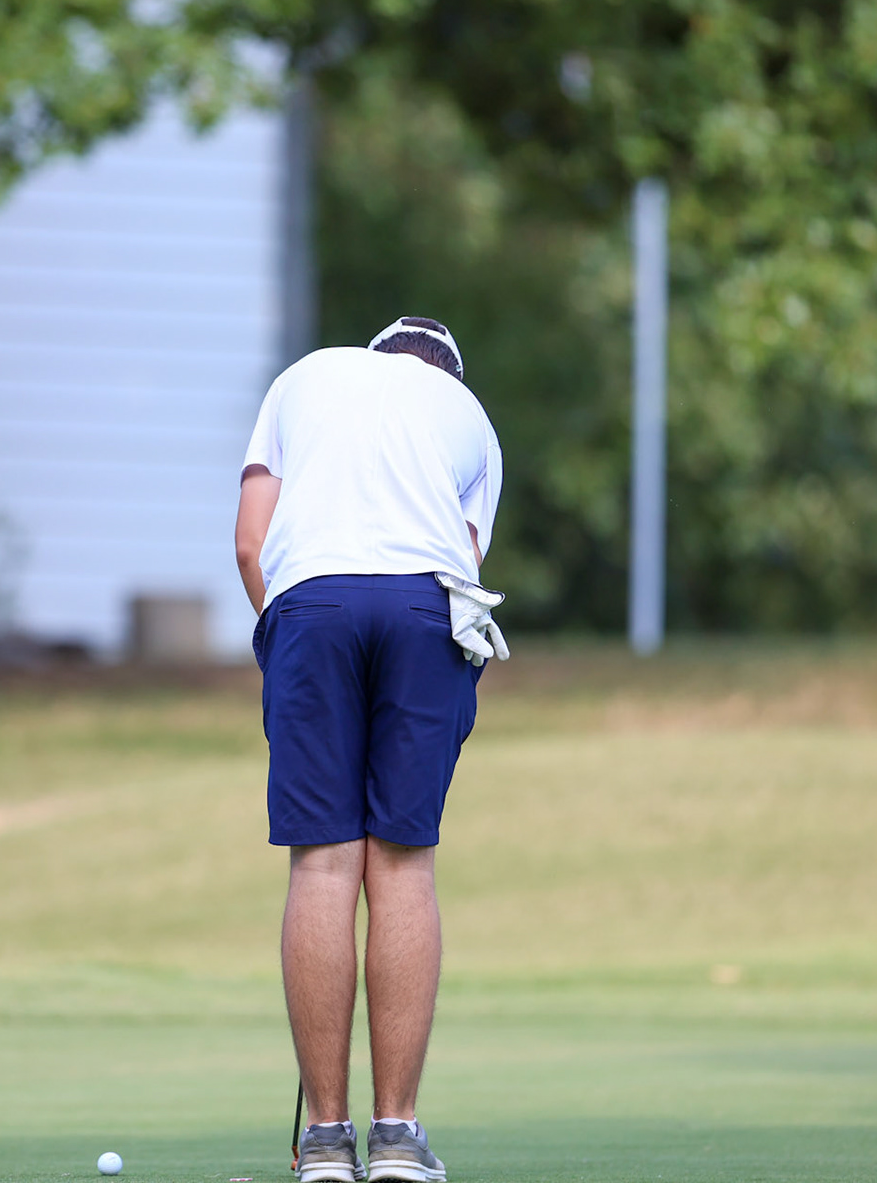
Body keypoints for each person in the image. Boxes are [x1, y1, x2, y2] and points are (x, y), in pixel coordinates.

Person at [235, 317, 507, 1183]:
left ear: (377, 352)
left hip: (311, 601)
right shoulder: (470, 419)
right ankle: (396, 1137)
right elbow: (464, 564)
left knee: (324, 864)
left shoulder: (304, 378)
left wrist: (292, 644)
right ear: (447, 372)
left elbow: (251, 542)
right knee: (401, 862)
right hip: (424, 606)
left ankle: (325, 1142)